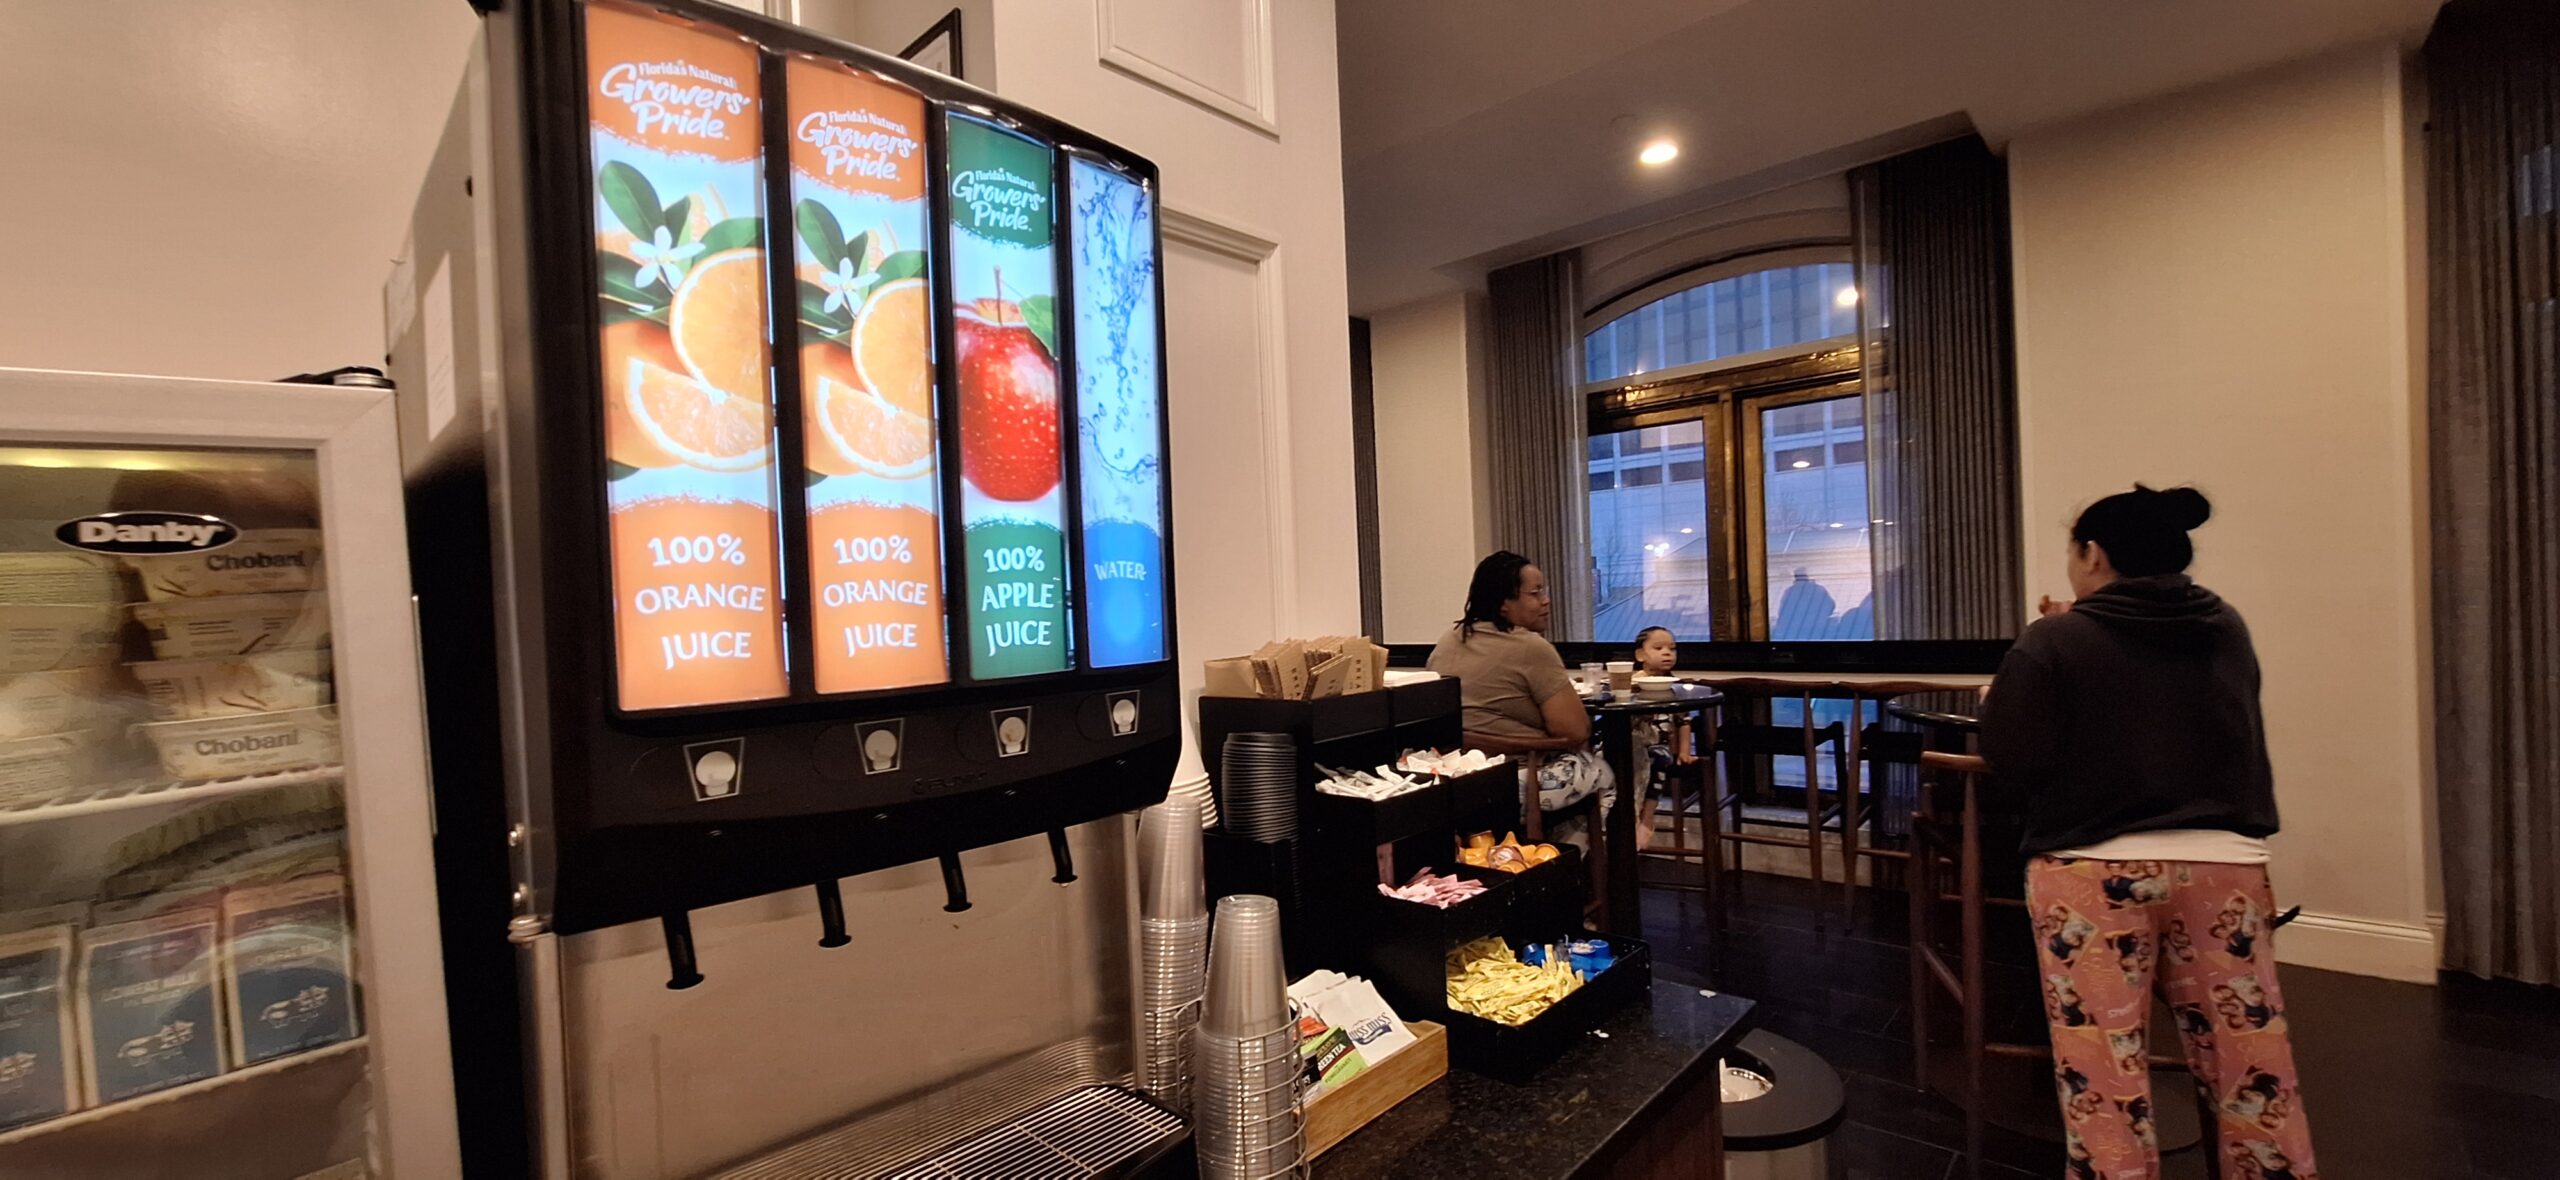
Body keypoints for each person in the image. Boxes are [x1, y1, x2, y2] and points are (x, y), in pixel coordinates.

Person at [1977, 485, 2317, 1180]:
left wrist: (2002, 697)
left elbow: (2010, 757)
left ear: (2093, 555)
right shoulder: (2224, 625)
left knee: (2102, 1069)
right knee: (2251, 1063)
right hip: (2226, 867)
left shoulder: (2056, 640)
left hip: (2094, 872)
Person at [1426, 552, 1612, 839]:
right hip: (1521, 779)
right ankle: (1574, 869)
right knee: (1605, 772)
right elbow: (1575, 731)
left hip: (1460, 778)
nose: (1546, 600)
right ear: (1504, 603)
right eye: (1535, 593)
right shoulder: (1531, 647)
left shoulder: (1451, 638)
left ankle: (1536, 860)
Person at [1629, 626, 1697, 852]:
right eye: (1658, 648)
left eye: (1672, 648)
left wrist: (1685, 751)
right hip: (1632, 743)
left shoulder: (1674, 686)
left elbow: (1684, 721)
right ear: (1640, 655)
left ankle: (1647, 817)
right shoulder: (1632, 684)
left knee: (1659, 759)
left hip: (1658, 747)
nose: (1667, 653)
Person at [1773, 567, 1836, 640]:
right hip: (1818, 627)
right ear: (1807, 576)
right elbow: (1831, 606)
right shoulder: (1819, 589)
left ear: (1795, 577)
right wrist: (1821, 616)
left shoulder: (1789, 592)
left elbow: (1782, 612)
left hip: (1796, 629)